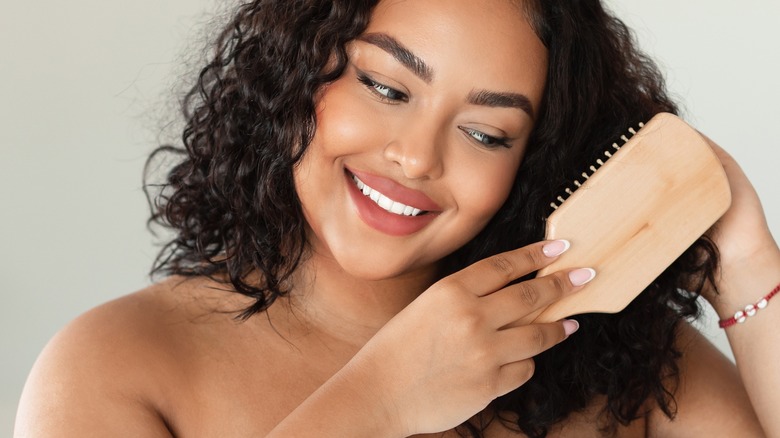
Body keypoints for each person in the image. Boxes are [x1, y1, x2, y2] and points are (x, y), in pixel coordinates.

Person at [14, 0, 780, 437]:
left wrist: (745, 255)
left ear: (533, 160)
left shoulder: (627, 370)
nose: (416, 157)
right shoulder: (117, 365)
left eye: (486, 134)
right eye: (386, 87)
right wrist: (377, 402)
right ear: (297, 69)